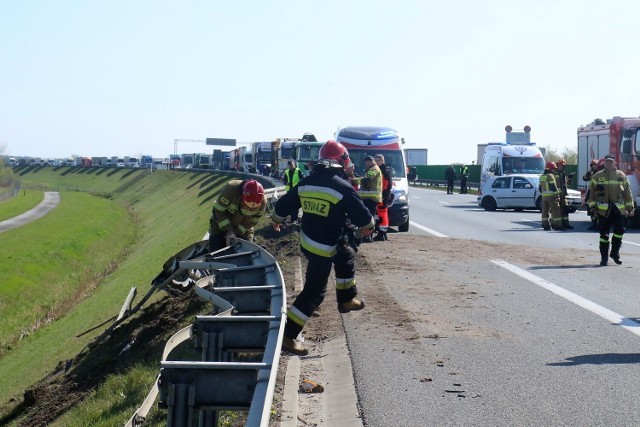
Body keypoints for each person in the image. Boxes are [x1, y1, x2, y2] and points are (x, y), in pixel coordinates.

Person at [271, 140, 375, 355]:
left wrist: (276, 218)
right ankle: (288, 337)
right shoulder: (342, 187)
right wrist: (369, 226)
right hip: (324, 246)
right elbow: (365, 219)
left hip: (310, 240)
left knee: (345, 254)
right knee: (314, 293)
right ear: (341, 161)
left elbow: (282, 207)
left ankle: (346, 299)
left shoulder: (306, 183)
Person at [588, 154, 635, 266]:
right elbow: (592, 194)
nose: (609, 163)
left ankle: (615, 253)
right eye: (607, 161)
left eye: (611, 161)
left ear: (615, 163)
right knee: (604, 235)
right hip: (603, 212)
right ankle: (604, 258)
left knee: (619, 231)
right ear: (604, 162)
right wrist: (593, 208)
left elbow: (627, 193)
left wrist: (630, 208)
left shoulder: (621, 175)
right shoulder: (597, 177)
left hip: (618, 210)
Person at [208, 179, 266, 252]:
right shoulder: (230, 190)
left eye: (254, 208)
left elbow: (253, 221)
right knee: (215, 250)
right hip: (220, 222)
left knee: (247, 251)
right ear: (242, 197)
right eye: (247, 205)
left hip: (244, 226)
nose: (250, 208)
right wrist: (228, 230)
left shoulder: (263, 202)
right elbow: (218, 211)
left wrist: (236, 232)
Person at [350, 155, 382, 233]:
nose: (365, 165)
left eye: (366, 163)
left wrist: (353, 181)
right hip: (370, 198)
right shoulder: (373, 169)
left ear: (369, 162)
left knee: (368, 218)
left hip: (370, 198)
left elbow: (367, 180)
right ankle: (367, 235)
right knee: (369, 217)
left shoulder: (373, 169)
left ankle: (368, 235)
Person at [539, 161, 563, 231]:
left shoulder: (542, 176)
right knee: (555, 210)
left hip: (544, 197)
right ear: (551, 169)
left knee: (545, 211)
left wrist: (543, 194)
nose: (554, 170)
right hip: (551, 196)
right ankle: (557, 225)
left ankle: (545, 225)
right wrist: (557, 195)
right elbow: (553, 186)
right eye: (553, 169)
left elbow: (540, 188)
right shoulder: (550, 176)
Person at [373, 154, 392, 241]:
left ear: (382, 161)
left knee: (382, 215)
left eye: (377, 161)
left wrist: (383, 196)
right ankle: (383, 233)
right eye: (375, 161)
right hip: (382, 196)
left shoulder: (384, 171)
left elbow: (386, 185)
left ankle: (382, 234)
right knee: (382, 215)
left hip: (383, 196)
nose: (376, 162)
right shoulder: (382, 170)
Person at [554, 159, 574, 229]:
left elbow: (566, 184)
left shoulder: (563, 174)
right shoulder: (554, 174)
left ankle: (566, 223)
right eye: (560, 165)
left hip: (563, 195)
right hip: (557, 195)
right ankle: (558, 224)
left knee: (565, 209)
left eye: (562, 166)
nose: (561, 167)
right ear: (557, 166)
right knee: (558, 210)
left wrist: (570, 179)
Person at [582, 159, 599, 230]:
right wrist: (588, 173)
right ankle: (594, 223)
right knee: (591, 208)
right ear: (591, 166)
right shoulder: (590, 173)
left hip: (598, 192)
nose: (594, 166)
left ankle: (597, 224)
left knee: (598, 209)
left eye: (595, 165)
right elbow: (584, 178)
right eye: (593, 165)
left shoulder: (600, 173)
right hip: (591, 191)